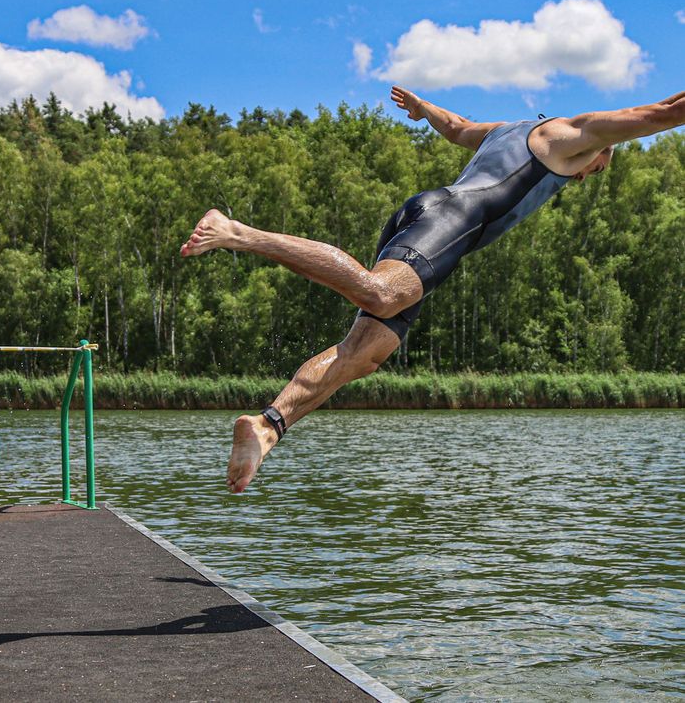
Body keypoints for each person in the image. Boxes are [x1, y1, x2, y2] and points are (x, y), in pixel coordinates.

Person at [181, 86, 685, 494]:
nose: (590, 172)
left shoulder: (505, 131)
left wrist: (425, 110)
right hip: (452, 220)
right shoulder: (576, 134)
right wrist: (608, 137)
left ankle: (267, 426)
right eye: (598, 164)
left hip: (427, 214)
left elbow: (458, 128)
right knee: (379, 295)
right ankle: (237, 233)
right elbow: (660, 111)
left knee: (367, 350)